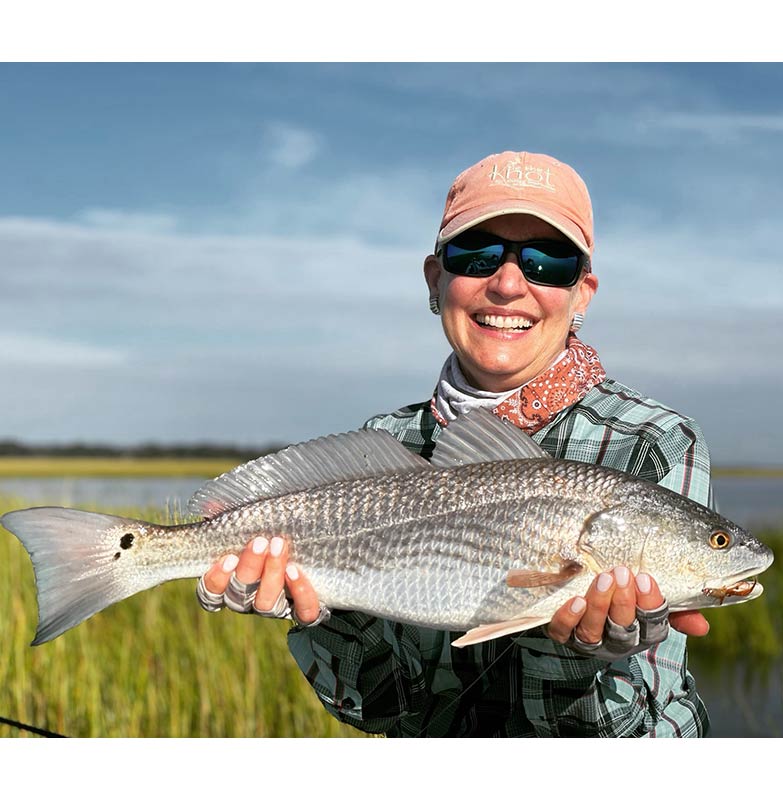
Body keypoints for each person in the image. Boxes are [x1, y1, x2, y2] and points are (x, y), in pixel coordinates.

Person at [196, 151, 713, 737]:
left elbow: (652, 735)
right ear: (435, 279)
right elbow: (381, 710)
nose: (509, 283)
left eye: (549, 261)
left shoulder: (655, 444)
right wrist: (319, 612)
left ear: (583, 293)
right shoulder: (387, 442)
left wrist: (577, 654)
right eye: (477, 255)